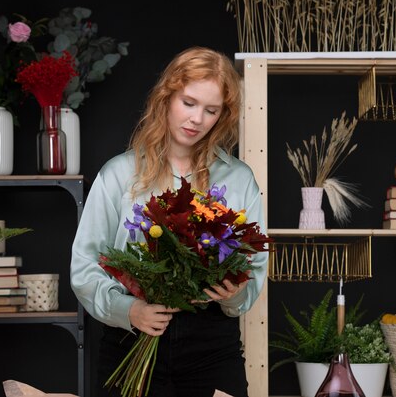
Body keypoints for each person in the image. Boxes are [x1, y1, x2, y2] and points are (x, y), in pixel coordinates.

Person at [70, 46, 268, 397]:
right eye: (188, 103)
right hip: (131, 341)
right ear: (167, 98)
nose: (196, 119)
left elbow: (253, 267)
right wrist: (129, 310)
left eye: (211, 110)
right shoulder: (119, 174)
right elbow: (85, 267)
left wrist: (234, 294)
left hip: (212, 346)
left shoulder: (239, 179)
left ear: (222, 116)